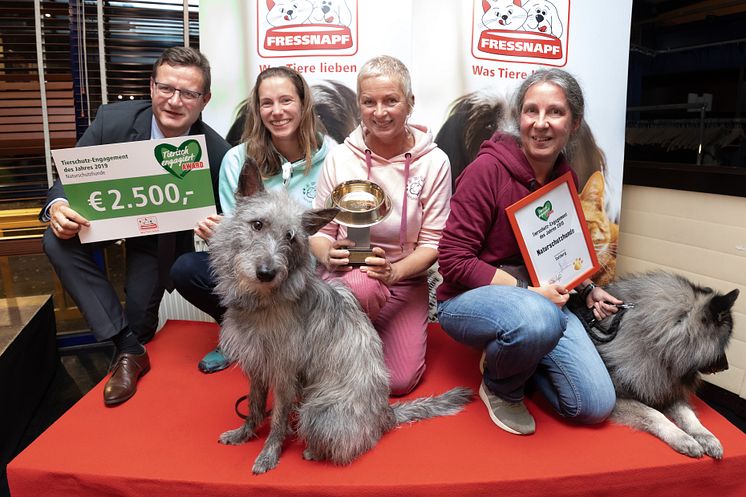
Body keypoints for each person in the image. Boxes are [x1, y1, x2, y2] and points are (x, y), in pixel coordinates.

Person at [41, 47, 230, 406]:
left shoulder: (217, 152)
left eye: (188, 93)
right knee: (55, 239)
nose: (174, 101)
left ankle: (134, 340)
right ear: (151, 86)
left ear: (204, 100)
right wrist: (59, 205)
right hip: (100, 220)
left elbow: (237, 225)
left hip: (157, 239)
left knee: (141, 322)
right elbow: (67, 180)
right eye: (166, 88)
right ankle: (128, 350)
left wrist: (220, 228)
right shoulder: (112, 121)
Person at [436, 68, 620, 435]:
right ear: (518, 117)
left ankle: (519, 355)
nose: (541, 123)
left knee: (595, 405)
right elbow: (453, 260)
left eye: (555, 112)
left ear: (574, 122)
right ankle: (501, 386)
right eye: (531, 111)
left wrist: (586, 288)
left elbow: (555, 252)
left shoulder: (563, 176)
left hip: (542, 300)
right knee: (538, 318)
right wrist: (527, 295)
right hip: (470, 300)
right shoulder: (486, 171)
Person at [170, 66, 334, 373]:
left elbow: (330, 233)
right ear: (257, 110)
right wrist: (218, 233)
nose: (277, 111)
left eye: (286, 100)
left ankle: (293, 340)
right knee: (186, 268)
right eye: (266, 103)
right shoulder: (237, 160)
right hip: (254, 275)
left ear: (303, 104)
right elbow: (236, 230)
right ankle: (240, 335)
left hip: (307, 276)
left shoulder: (333, 158)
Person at [309, 55, 451, 396]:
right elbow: (319, 231)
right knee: (362, 285)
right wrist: (329, 256)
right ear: (359, 105)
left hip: (404, 279)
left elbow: (433, 243)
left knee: (398, 383)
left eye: (391, 100)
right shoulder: (341, 157)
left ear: (410, 103)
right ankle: (336, 357)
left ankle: (351, 348)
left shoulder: (435, 162)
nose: (380, 112)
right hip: (348, 277)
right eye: (369, 102)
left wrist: (395, 272)